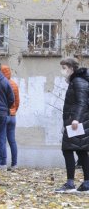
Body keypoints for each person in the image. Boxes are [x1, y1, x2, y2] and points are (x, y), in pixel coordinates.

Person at [55, 58, 89, 193]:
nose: (62, 71)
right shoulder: (76, 81)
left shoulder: (78, 82)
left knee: (67, 149)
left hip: (77, 122)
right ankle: (86, 183)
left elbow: (82, 102)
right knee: (81, 151)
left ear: (71, 68)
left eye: (64, 68)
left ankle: (70, 184)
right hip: (77, 121)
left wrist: (76, 119)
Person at [1, 65, 20, 170]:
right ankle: (14, 164)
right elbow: (17, 101)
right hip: (12, 115)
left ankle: (3, 163)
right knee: (12, 141)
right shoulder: (14, 85)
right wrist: (14, 111)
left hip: (4, 114)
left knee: (2, 140)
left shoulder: (1, 84)